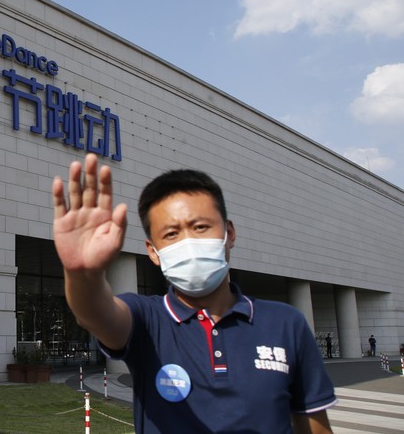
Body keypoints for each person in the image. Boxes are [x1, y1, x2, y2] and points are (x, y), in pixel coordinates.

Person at [51, 153, 337, 434]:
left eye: (200, 227)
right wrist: (81, 273)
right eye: (172, 234)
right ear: (153, 251)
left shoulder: (286, 323)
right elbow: (95, 313)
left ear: (229, 233)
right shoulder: (146, 320)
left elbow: (314, 426)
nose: (189, 242)